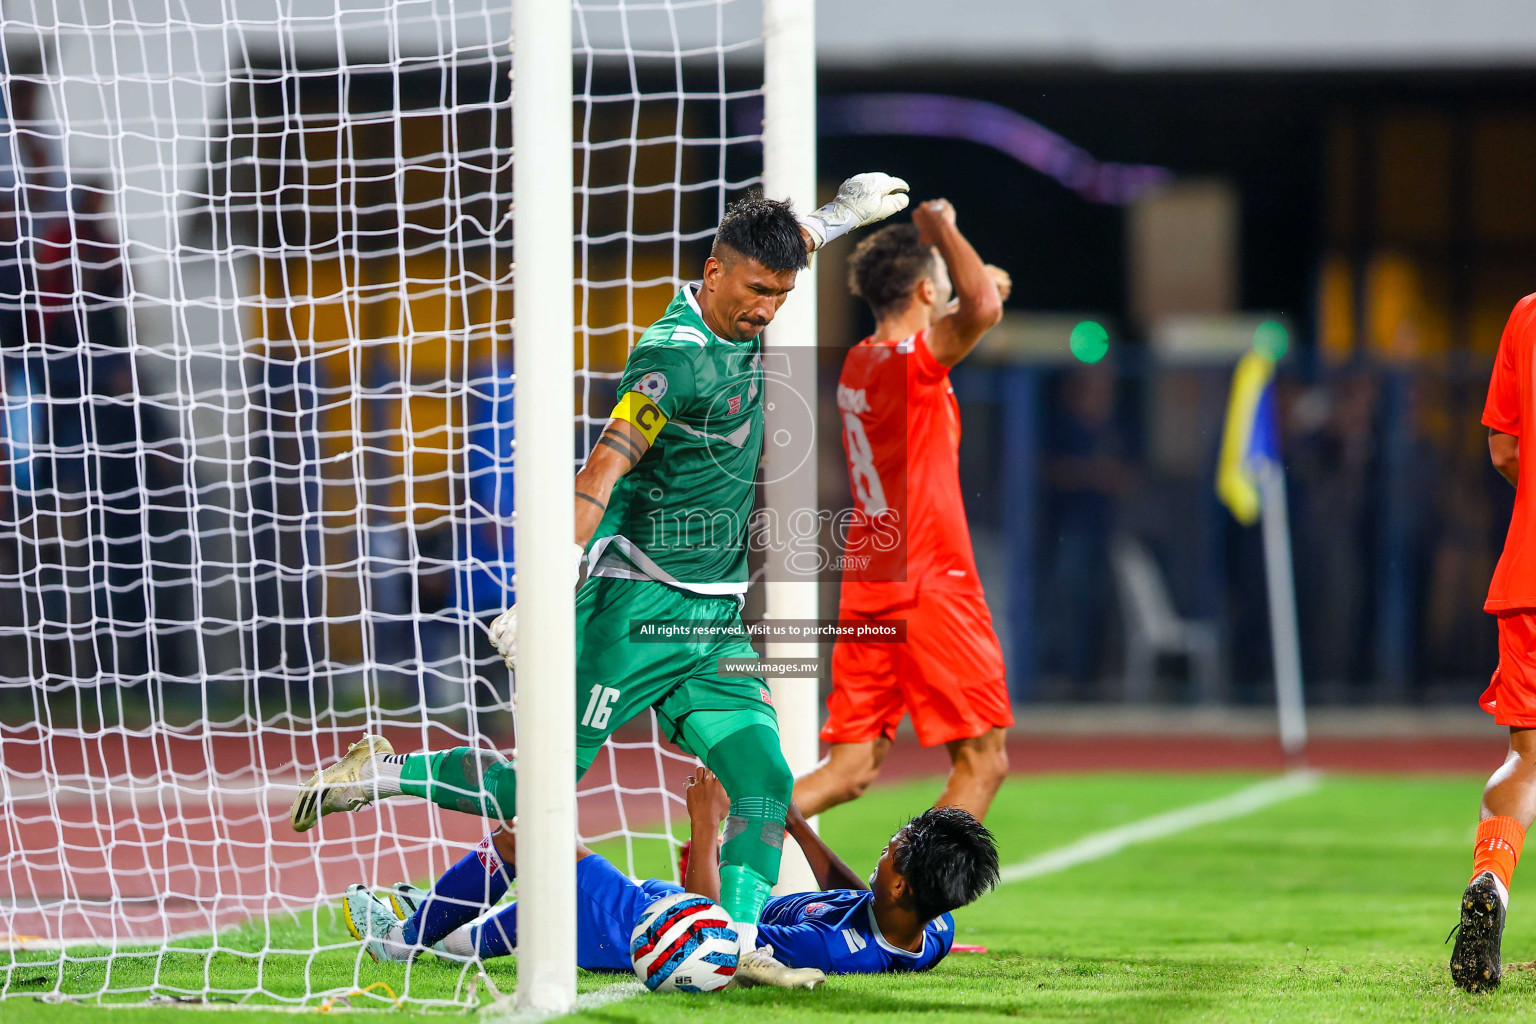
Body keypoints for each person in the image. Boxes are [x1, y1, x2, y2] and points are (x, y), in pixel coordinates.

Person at [289, 173, 911, 989]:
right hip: (631, 608)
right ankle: (376, 776)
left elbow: (792, 245)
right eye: (757, 292)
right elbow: (603, 469)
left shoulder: (760, 279)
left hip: (714, 616)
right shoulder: (670, 361)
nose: (767, 310)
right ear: (713, 273)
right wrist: (542, 592)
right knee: (534, 792)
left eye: (781, 296)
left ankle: (733, 943)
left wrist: (838, 216)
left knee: (763, 780)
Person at [340, 768, 998, 982]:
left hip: (651, 929)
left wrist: (705, 823)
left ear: (903, 884)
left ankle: (406, 937)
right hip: (655, 907)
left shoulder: (821, 949)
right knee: (532, 911)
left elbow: (712, 940)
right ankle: (436, 922)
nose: (884, 848)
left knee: (526, 835)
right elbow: (863, 894)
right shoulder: (929, 928)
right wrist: (796, 824)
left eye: (894, 846)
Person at [792, 199, 1012, 822]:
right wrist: (943, 226)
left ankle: (715, 853)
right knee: (983, 761)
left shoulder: (860, 364)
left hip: (870, 581)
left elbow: (974, 301)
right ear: (923, 289)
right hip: (930, 580)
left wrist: (971, 286)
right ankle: (905, 908)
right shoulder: (915, 365)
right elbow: (982, 307)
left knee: (849, 769)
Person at [1451, 291, 1536, 992]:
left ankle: (1492, 882)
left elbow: (1505, 446)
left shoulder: (1526, 315)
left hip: (1529, 574)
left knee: (1526, 760)